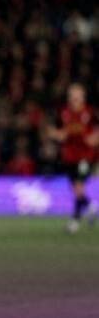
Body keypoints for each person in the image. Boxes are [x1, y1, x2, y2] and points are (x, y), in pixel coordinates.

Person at [49, 83, 97, 233]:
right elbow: (60, 133)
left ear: (83, 97)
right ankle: (90, 207)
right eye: (71, 95)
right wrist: (55, 134)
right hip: (69, 156)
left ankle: (75, 221)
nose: (74, 98)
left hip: (86, 156)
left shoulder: (90, 113)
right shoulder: (64, 113)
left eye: (77, 95)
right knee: (75, 188)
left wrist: (95, 138)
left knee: (79, 186)